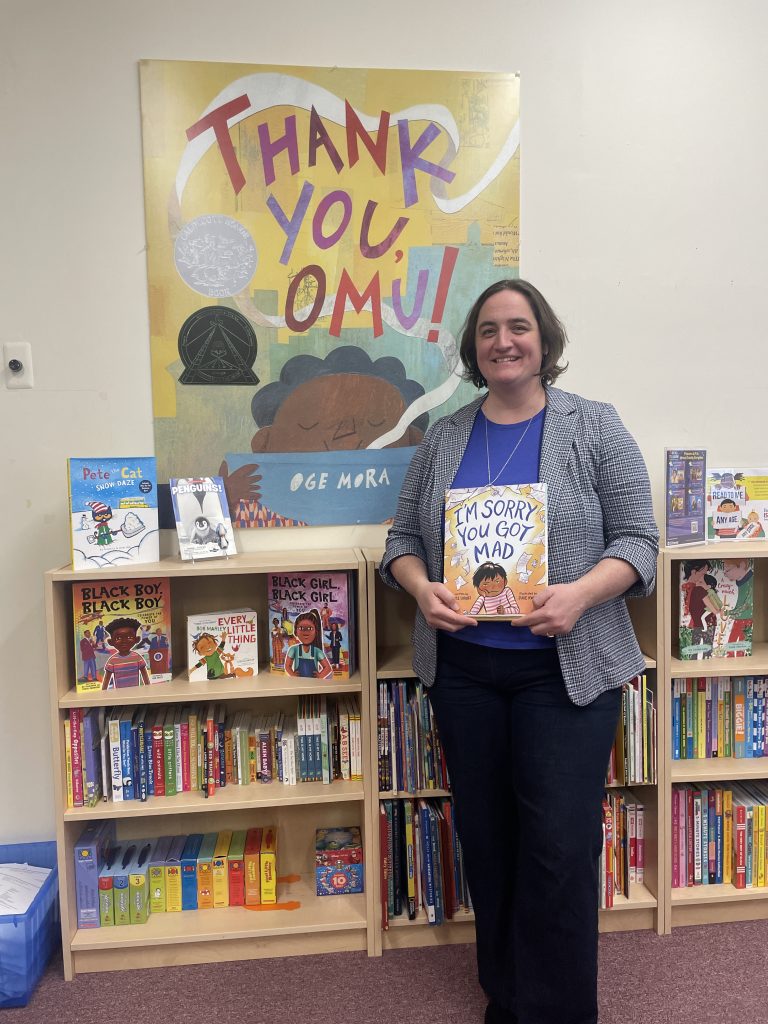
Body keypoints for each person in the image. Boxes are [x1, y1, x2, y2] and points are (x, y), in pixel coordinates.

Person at [380, 279, 658, 1024]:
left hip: (562, 673)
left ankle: (557, 1012)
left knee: (558, 850)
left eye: (520, 327)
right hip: (466, 671)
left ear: (544, 341)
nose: (505, 341)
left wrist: (581, 594)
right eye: (489, 330)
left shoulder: (593, 425)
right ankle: (507, 998)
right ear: (473, 348)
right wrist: (419, 586)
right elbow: (402, 541)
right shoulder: (444, 435)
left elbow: (640, 541)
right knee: (490, 840)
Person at [284, 609, 333, 679]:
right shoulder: (293, 649)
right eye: (301, 628)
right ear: (295, 631)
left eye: (310, 628)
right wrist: (292, 675)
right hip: (297, 683)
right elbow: (287, 666)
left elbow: (328, 668)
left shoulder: (317, 651)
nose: (305, 632)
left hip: (313, 684)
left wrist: (320, 676)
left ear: (316, 631)